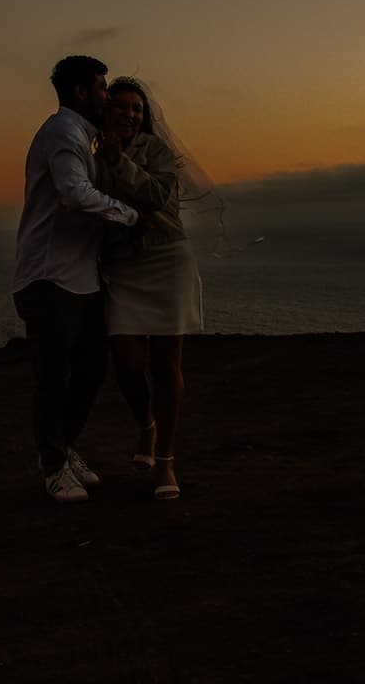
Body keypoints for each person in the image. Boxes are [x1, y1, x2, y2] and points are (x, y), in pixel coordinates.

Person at [13, 56, 140, 504]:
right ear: (82, 92)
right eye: (102, 88)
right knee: (53, 376)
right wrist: (128, 214)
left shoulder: (82, 138)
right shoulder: (62, 133)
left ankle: (63, 450)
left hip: (80, 278)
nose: (107, 96)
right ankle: (52, 466)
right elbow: (72, 192)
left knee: (90, 369)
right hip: (49, 277)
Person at [97, 77, 203, 500]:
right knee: (125, 360)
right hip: (123, 264)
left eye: (137, 108)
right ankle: (146, 424)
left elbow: (157, 196)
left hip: (165, 259)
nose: (129, 114)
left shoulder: (158, 152)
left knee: (165, 362)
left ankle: (165, 460)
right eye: (121, 106)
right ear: (107, 111)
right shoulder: (92, 152)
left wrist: (119, 163)